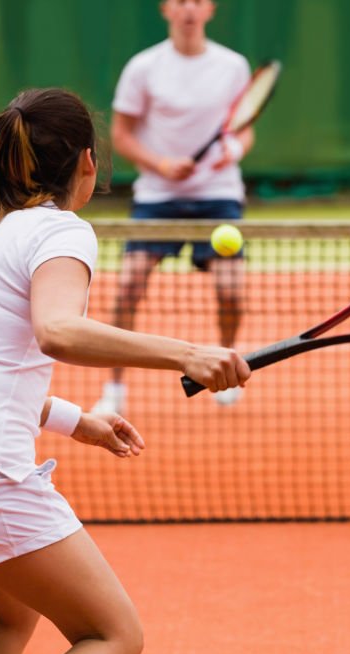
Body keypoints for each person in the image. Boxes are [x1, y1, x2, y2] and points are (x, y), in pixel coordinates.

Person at [0, 88, 250, 654]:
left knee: (13, 610)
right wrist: (189, 353)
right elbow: (57, 331)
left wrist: (78, 421)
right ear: (88, 162)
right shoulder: (62, 232)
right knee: (111, 635)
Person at [92, 0, 254, 412]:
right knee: (128, 287)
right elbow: (123, 134)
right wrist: (162, 164)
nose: (189, 9)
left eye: (197, 1)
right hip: (158, 198)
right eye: (180, 1)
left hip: (218, 196)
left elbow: (243, 128)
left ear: (210, 9)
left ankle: (227, 361)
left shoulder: (233, 65)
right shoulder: (143, 68)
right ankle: (114, 389)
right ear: (166, 9)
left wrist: (232, 149)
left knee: (231, 292)